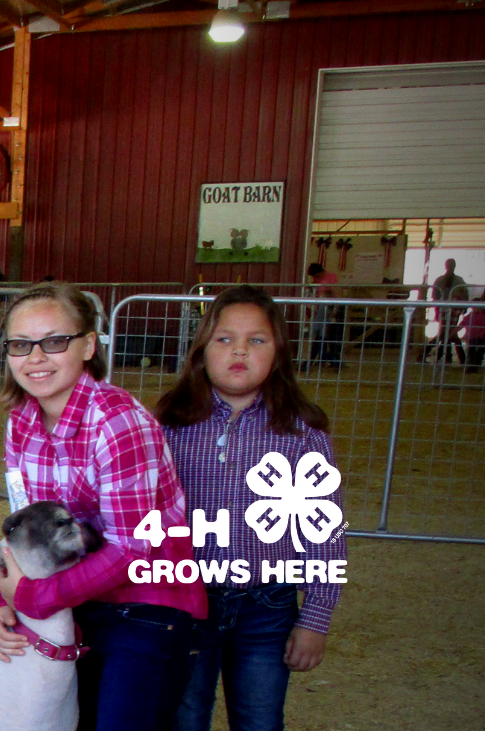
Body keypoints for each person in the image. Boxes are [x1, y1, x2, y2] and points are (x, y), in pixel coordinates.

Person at [0, 282, 206, 731]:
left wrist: (32, 597)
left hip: (146, 604)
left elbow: (133, 548)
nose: (36, 357)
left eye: (55, 341)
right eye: (21, 344)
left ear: (87, 345)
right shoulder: (20, 422)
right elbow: (28, 533)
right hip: (79, 602)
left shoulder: (117, 419)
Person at [154, 286, 345, 731]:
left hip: (268, 606)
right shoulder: (168, 425)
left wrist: (315, 618)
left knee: (259, 719)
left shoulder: (304, 435)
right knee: (183, 716)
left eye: (257, 340)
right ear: (202, 352)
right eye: (224, 339)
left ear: (278, 354)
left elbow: (324, 534)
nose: (239, 349)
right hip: (187, 601)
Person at [430, 258, 468, 364]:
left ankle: (441, 355)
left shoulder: (457, 281)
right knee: (448, 333)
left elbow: (464, 295)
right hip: (444, 310)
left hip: (453, 311)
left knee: (446, 333)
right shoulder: (442, 280)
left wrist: (464, 309)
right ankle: (457, 358)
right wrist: (436, 311)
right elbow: (435, 296)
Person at [305, 263, 343, 369]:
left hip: (331, 309)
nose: (316, 279)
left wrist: (335, 308)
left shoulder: (331, 278)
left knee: (330, 337)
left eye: (317, 276)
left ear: (321, 273)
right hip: (322, 310)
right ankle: (329, 361)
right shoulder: (317, 281)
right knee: (323, 337)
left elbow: (336, 293)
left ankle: (330, 360)